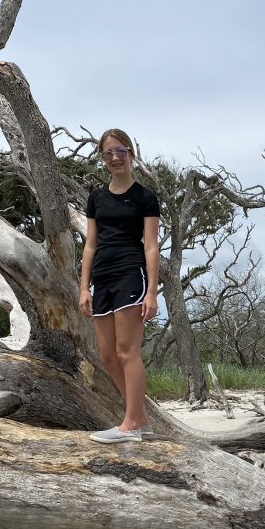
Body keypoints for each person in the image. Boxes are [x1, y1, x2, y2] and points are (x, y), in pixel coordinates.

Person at [79, 128, 160, 442]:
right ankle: (140, 419)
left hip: (130, 273)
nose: (115, 158)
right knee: (107, 356)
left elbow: (151, 247)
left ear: (131, 153)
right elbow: (89, 244)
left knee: (127, 352)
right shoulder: (96, 197)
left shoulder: (144, 197)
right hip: (102, 278)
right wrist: (84, 287)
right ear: (103, 158)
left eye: (120, 151)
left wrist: (152, 291)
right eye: (108, 153)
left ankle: (130, 424)